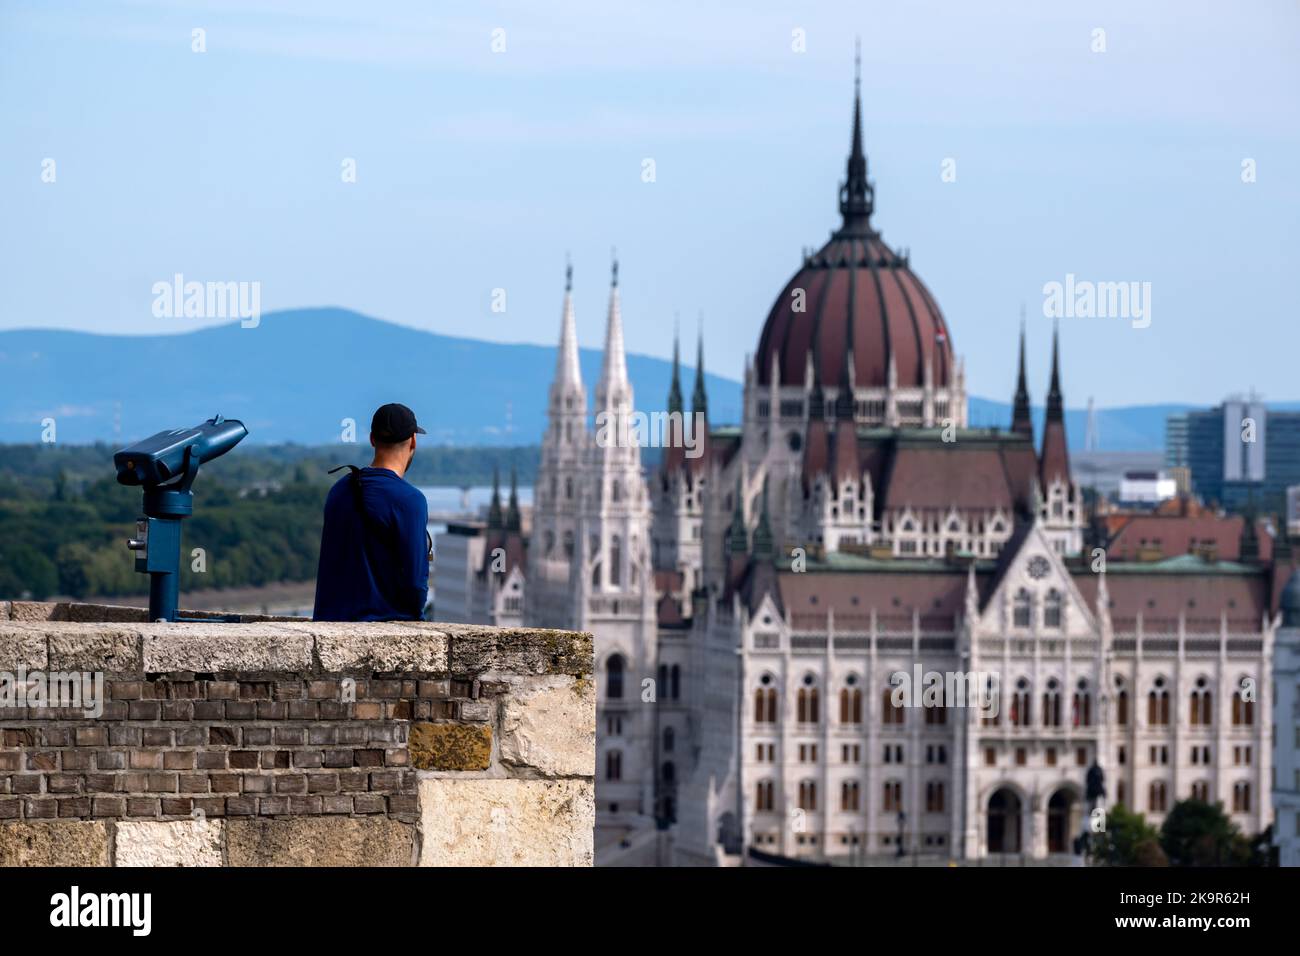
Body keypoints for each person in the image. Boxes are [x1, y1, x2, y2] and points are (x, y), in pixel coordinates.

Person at [313, 403, 430, 621]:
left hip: (328, 627)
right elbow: (415, 584)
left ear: (372, 439)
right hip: (381, 632)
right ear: (413, 440)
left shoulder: (339, 490)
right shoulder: (410, 500)